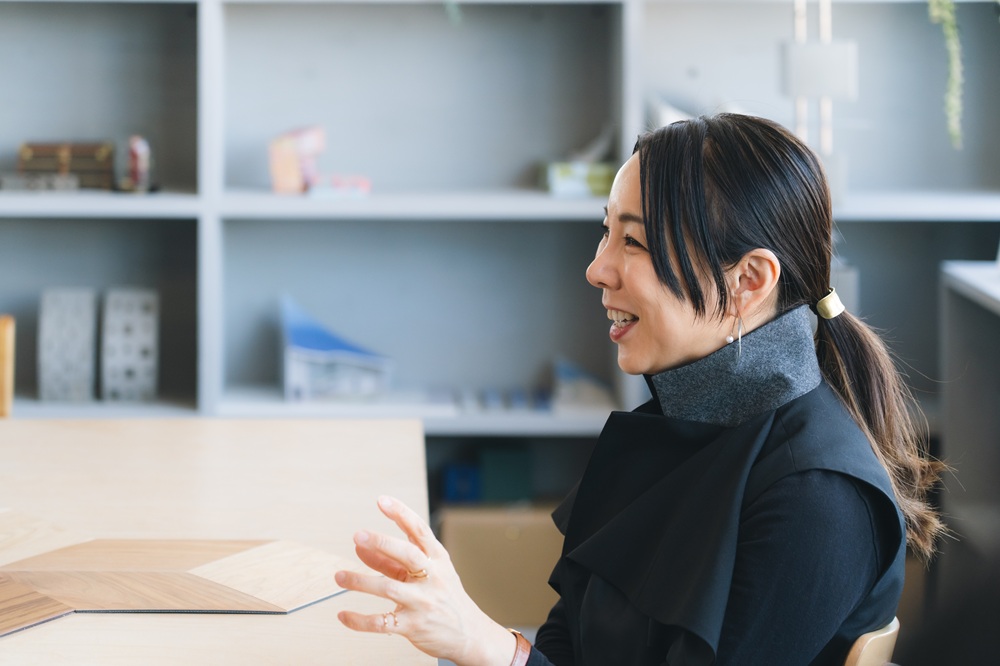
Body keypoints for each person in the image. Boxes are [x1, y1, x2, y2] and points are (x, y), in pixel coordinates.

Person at [334, 113, 945, 665]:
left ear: (749, 281)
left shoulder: (819, 502)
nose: (598, 269)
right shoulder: (680, 422)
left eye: (634, 241)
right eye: (606, 233)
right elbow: (566, 643)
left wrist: (484, 644)